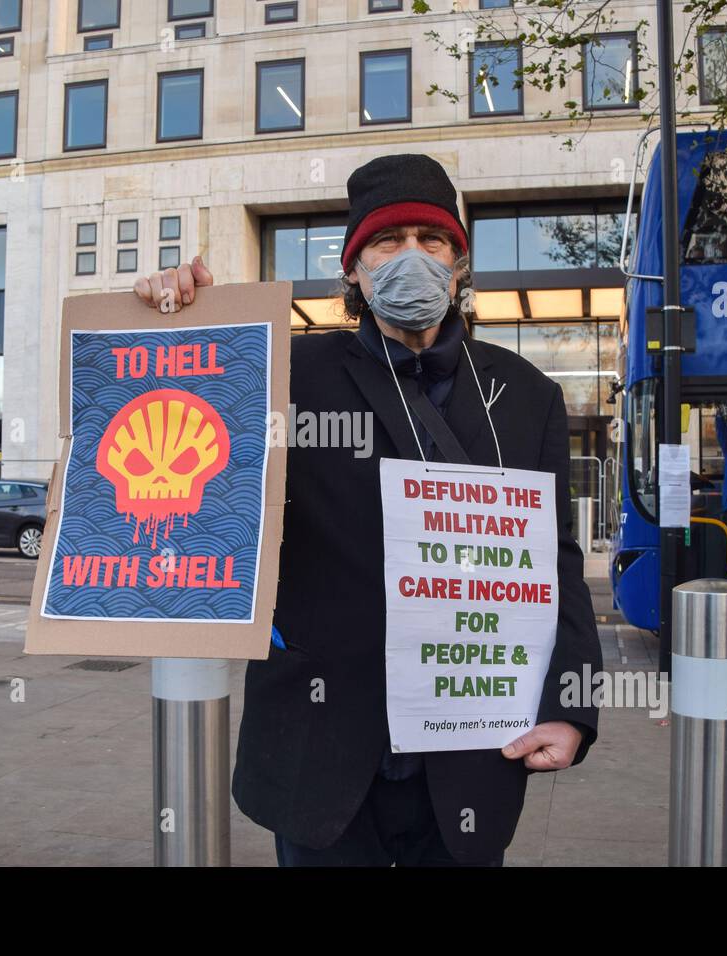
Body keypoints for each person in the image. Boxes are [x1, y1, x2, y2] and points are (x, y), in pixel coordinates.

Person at [133, 153, 602, 866]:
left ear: (459, 264)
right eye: (387, 241)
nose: (411, 256)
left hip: (470, 756)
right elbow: (184, 456)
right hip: (320, 758)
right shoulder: (280, 374)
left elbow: (556, 563)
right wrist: (184, 328)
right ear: (353, 269)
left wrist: (572, 704)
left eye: (432, 239)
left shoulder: (528, 393)